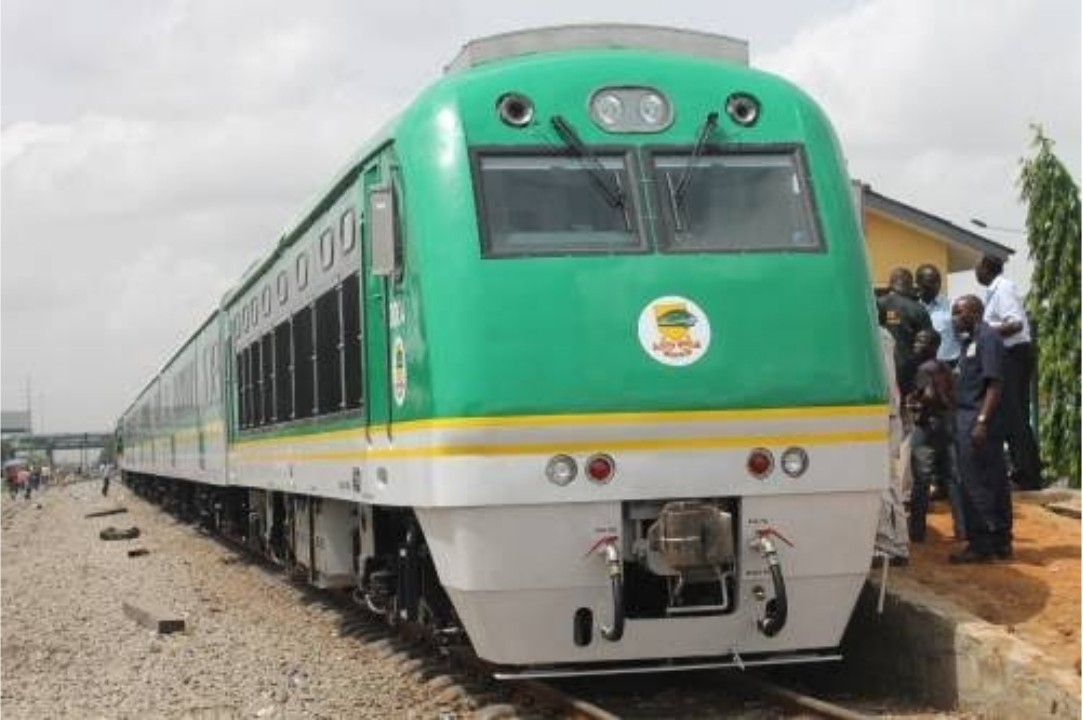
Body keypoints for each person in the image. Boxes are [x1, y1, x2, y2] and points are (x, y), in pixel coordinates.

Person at [949, 294, 1011, 563]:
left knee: (975, 482)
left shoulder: (988, 338)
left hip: (977, 420)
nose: (953, 318)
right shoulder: (970, 341)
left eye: (958, 312)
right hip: (969, 417)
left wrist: (982, 422)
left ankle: (982, 543)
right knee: (990, 479)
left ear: (974, 313)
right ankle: (999, 541)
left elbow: (995, 384)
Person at [975, 255, 1042, 490]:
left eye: (977, 268)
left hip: (1014, 355)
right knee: (1013, 415)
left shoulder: (1002, 288)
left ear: (986, 268)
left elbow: (1015, 324)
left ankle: (1028, 475)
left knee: (1015, 416)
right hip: (1011, 355)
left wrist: (984, 332)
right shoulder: (994, 291)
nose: (976, 273)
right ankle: (1024, 471)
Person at [906, 329, 964, 542]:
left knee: (921, 480)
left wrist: (916, 402)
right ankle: (962, 528)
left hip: (928, 427)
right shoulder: (945, 367)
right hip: (947, 425)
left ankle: (917, 532)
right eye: (916, 340)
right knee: (951, 478)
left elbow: (929, 395)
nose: (916, 344)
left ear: (933, 346)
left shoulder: (923, 369)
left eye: (921, 341)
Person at [873, 309, 910, 565]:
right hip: (883, 415)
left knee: (886, 482)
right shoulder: (879, 335)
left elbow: (885, 383)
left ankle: (894, 546)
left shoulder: (878, 336)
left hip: (883, 417)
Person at [877, 268, 933, 400]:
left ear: (891, 283)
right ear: (910, 285)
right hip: (910, 370)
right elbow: (929, 343)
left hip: (882, 368)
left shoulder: (877, 303)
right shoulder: (919, 309)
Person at [914, 264, 960, 366]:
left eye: (937, 281)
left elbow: (962, 336)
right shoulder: (913, 308)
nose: (934, 285)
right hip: (921, 365)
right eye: (929, 281)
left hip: (948, 364)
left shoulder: (952, 306)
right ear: (918, 283)